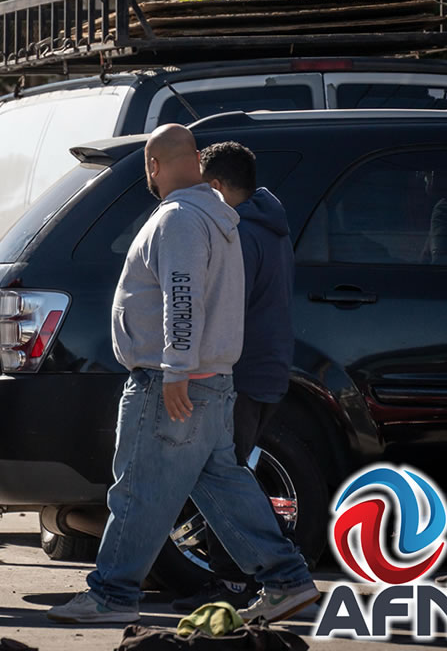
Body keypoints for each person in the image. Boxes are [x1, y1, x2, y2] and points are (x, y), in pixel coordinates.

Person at [46, 124, 318, 625]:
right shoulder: (220, 217)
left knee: (137, 489)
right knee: (222, 485)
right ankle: (288, 581)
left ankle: (111, 594)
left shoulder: (179, 218)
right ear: (195, 158)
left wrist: (175, 370)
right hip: (211, 379)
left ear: (154, 165)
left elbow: (183, 296)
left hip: (174, 382)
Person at [169, 141, 296, 611]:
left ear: (217, 186)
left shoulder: (238, 235)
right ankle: (246, 576)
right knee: (234, 471)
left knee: (224, 477)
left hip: (238, 372)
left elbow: (223, 307)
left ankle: (236, 582)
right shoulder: (272, 226)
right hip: (268, 369)